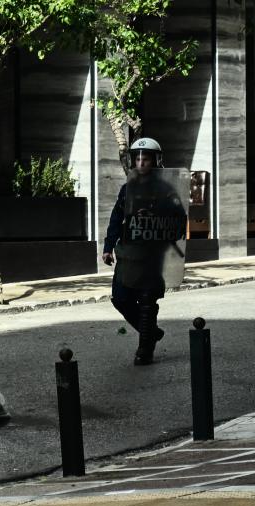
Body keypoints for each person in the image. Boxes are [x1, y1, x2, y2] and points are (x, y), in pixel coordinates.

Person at [102, 137, 186, 366]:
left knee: (147, 300)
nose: (141, 162)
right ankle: (151, 332)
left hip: (153, 255)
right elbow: (116, 219)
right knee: (121, 298)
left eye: (146, 158)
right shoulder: (127, 189)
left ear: (156, 160)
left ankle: (144, 349)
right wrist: (108, 247)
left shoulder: (166, 190)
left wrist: (164, 233)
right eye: (137, 158)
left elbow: (179, 220)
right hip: (128, 253)